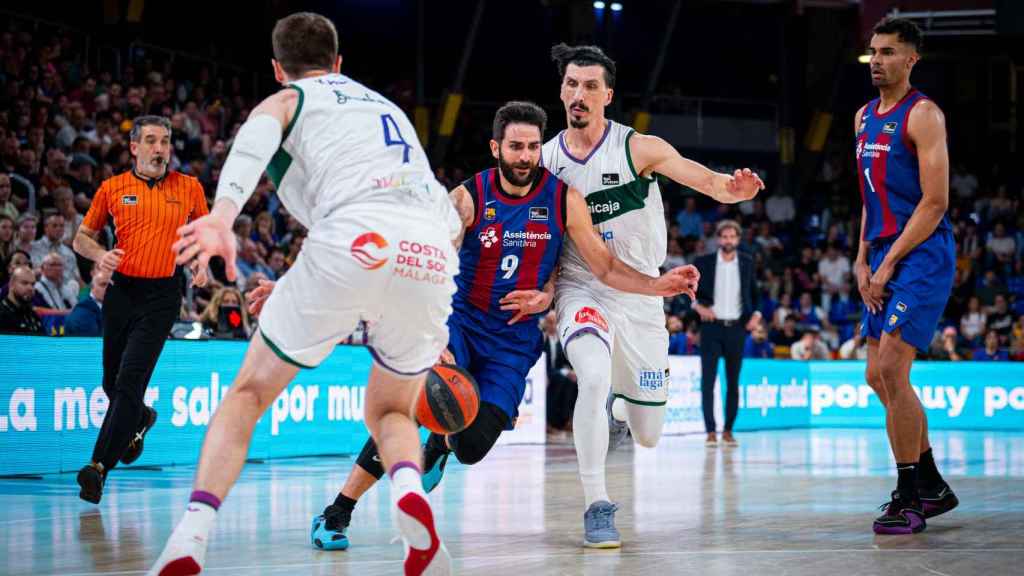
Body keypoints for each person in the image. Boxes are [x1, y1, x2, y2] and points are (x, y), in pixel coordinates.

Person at [298, 101, 697, 553]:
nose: (525, 156)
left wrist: (654, 284)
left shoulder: (564, 198)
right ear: (496, 148)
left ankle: (441, 447)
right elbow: (427, 268)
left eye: (531, 147)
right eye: (515, 147)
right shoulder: (467, 198)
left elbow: (603, 267)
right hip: (461, 324)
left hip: (513, 340)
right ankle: (338, 511)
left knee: (471, 445)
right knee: (411, 404)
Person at [148, 13, 466, 575]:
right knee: (391, 408)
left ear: (278, 69)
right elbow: (450, 220)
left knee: (246, 396)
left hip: (352, 238)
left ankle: (188, 540)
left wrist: (223, 216)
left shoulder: (291, 99)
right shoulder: (388, 110)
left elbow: (257, 133)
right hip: (430, 250)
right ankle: (407, 495)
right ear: (341, 61)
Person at [541, 43, 763, 548]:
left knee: (648, 433)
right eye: (572, 84)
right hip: (583, 288)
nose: (579, 94)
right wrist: (546, 290)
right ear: (561, 90)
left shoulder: (638, 148)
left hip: (642, 295)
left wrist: (735, 189)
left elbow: (706, 181)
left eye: (591, 86)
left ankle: (623, 410)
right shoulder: (548, 161)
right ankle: (598, 505)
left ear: (608, 95)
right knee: (592, 377)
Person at [854, 17, 958, 535]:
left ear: (911, 59)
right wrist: (860, 258)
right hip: (881, 252)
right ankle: (934, 484)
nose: (877, 60)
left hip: (921, 254)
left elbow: (936, 203)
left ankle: (909, 496)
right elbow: (867, 199)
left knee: (894, 370)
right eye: (874, 51)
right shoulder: (862, 118)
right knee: (876, 375)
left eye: (889, 52)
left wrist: (890, 259)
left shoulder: (925, 116)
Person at [72, 115, 209, 504]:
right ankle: (141, 419)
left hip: (163, 295)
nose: (159, 149)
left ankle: (97, 467)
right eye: (150, 140)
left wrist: (200, 262)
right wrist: (102, 255)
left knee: (130, 380)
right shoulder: (112, 188)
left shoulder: (189, 188)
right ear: (134, 147)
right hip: (121, 291)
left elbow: (201, 237)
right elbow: (82, 237)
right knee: (111, 385)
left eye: (165, 141)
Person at [692, 220, 761, 446]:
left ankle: (728, 431)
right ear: (718, 239)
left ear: (738, 240)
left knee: (733, 382)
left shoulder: (747, 262)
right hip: (711, 327)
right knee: (708, 382)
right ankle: (710, 431)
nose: (728, 240)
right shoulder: (704, 262)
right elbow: (688, 290)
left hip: (737, 328)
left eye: (732, 237)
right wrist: (697, 307)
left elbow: (755, 293)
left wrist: (757, 315)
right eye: (724, 237)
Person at [0, 265, 43, 334]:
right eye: (24, 283)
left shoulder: (33, 315)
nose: (30, 288)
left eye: (33, 284)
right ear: (11, 285)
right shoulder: (2, 314)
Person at [65, 271, 109, 336]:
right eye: (103, 285)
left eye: (111, 285)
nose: (108, 289)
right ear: (92, 287)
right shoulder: (82, 311)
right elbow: (92, 342)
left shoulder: (114, 308)